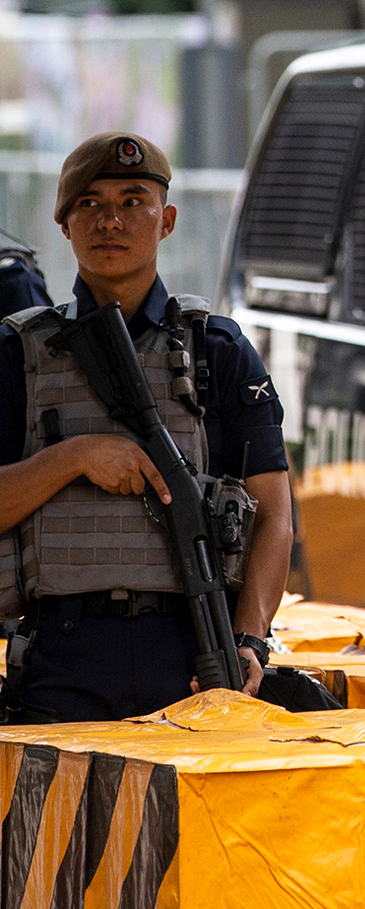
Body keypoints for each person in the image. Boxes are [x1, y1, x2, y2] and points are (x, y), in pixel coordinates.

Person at [0, 133, 292, 722]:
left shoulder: (218, 350)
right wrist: (74, 457)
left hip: (190, 653)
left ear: (168, 220)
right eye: (90, 204)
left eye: (134, 201)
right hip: (61, 657)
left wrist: (250, 640)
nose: (111, 220)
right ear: (64, 224)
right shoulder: (18, 353)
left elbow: (275, 514)